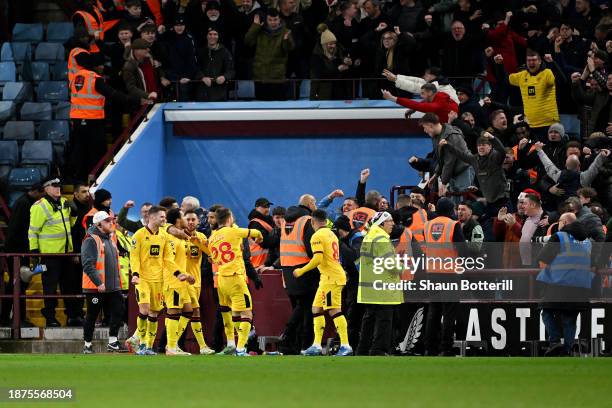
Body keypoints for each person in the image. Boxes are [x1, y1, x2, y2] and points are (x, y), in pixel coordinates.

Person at [71, 53, 152, 182]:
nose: (102, 67)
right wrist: (137, 100)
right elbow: (113, 94)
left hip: (77, 121)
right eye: (101, 65)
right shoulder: (94, 78)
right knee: (97, 153)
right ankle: (95, 180)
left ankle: (80, 182)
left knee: (80, 152)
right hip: (93, 122)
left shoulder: (76, 77)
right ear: (95, 66)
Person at [293, 209, 353, 356]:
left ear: (313, 222)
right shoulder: (331, 233)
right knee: (316, 309)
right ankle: (316, 345)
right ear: (325, 221)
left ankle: (346, 346)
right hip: (328, 278)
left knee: (334, 310)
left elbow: (318, 259)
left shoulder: (317, 236)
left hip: (331, 278)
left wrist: (301, 271)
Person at [536, 212, 594, 356]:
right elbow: (593, 264)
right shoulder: (587, 242)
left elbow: (543, 258)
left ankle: (555, 342)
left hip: (559, 283)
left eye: (560, 221)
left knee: (547, 312)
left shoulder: (559, 237)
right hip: (581, 287)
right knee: (570, 318)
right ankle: (567, 350)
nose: (558, 224)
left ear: (565, 223)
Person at [207, 207, 263, 356]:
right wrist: (260, 238)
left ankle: (235, 345)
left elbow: (212, 258)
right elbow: (256, 233)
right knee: (247, 313)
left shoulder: (212, 238)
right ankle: (240, 348)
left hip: (221, 279)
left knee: (235, 313)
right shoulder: (233, 231)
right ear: (229, 218)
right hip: (235, 277)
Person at [28, 177, 82, 328]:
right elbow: (33, 231)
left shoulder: (64, 202)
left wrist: (74, 214)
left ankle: (72, 317)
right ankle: (50, 317)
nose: (58, 188)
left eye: (59, 185)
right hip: (50, 255)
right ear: (45, 188)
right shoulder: (39, 206)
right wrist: (34, 251)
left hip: (66, 253)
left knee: (69, 287)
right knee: (50, 288)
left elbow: (69, 225)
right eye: (54, 185)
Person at [422, 198, 466, 356]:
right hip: (449, 272)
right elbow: (463, 249)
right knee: (449, 311)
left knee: (434, 310)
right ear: (449, 209)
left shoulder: (427, 225)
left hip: (432, 272)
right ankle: (445, 347)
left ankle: (429, 348)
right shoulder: (453, 225)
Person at [125, 206, 169, 355]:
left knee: (154, 313)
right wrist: (135, 274)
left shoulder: (164, 235)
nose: (164, 219)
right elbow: (134, 257)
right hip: (142, 279)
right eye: (162, 217)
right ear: (152, 217)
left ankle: (149, 346)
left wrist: (175, 273)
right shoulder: (138, 235)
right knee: (144, 309)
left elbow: (167, 258)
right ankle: (141, 344)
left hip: (159, 280)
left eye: (165, 217)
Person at [357, 211, 402, 355]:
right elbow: (391, 265)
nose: (393, 224)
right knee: (384, 322)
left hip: (369, 288)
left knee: (368, 321)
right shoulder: (381, 239)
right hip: (383, 289)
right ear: (382, 223)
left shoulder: (369, 236)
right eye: (390, 221)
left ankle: (362, 350)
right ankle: (378, 350)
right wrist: (402, 266)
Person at [81, 211, 127, 354]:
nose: (111, 223)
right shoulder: (91, 239)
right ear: (99, 224)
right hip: (96, 287)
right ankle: (87, 344)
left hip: (113, 287)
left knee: (118, 311)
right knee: (92, 315)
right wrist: (98, 282)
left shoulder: (111, 239)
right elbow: (88, 264)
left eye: (112, 221)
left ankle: (113, 341)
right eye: (107, 221)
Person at [1, 183, 44, 327]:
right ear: (37, 192)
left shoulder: (23, 202)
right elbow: (19, 230)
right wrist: (20, 253)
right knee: (18, 284)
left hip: (16, 250)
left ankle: (9, 316)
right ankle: (16, 317)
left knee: (17, 284)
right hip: (18, 251)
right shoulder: (25, 204)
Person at [419, 113, 474, 205]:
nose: (425, 131)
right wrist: (436, 175)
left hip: (464, 170)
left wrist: (443, 183)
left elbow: (449, 162)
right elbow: (441, 159)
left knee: (462, 203)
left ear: (431, 126)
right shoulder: (436, 137)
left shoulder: (451, 135)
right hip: (453, 173)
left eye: (425, 128)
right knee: (454, 203)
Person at [163, 208, 194, 355]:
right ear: (177, 220)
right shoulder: (169, 236)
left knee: (188, 311)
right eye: (183, 217)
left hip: (183, 280)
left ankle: (173, 344)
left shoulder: (180, 237)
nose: (186, 220)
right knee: (173, 311)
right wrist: (181, 274)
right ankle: (171, 347)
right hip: (173, 279)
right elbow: (168, 260)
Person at [184, 209, 215, 354]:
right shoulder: (178, 236)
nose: (190, 222)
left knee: (188, 313)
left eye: (193, 220)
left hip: (196, 282)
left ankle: (167, 344)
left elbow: (211, 253)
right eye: (188, 219)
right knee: (193, 310)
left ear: (198, 222)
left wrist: (200, 244)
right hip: (182, 281)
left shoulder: (201, 236)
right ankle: (202, 346)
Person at [245, 9, 295, 100]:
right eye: (270, 20)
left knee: (278, 108)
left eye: (275, 20)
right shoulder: (259, 30)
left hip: (277, 78)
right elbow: (248, 42)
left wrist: (286, 40)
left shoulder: (285, 32)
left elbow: (289, 49)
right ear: (266, 20)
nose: (273, 22)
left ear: (279, 19)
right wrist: (255, 26)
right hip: (260, 76)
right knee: (261, 107)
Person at [382, 83, 458, 124]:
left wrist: (392, 98)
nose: (421, 96)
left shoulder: (437, 105)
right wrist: (413, 109)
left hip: (453, 126)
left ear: (430, 92)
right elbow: (424, 103)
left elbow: (418, 105)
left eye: (422, 93)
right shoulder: (439, 95)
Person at [196, 26, 234, 102]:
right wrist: (202, 77)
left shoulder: (225, 52)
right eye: (210, 34)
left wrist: (224, 77)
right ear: (206, 36)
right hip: (202, 93)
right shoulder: (200, 51)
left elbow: (231, 70)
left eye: (215, 34)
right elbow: (195, 68)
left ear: (218, 36)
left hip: (219, 94)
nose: (212, 36)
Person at [247, 197, 278, 269]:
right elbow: (265, 242)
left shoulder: (270, 220)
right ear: (256, 208)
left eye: (268, 206)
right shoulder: (255, 223)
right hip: (259, 263)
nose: (267, 209)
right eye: (264, 207)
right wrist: (281, 237)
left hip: (268, 263)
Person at [69, 183, 91, 253]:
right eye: (84, 192)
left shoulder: (90, 208)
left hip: (89, 249)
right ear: (76, 194)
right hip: (77, 252)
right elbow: (71, 232)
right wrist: (74, 252)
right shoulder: (70, 209)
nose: (88, 194)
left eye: (88, 191)